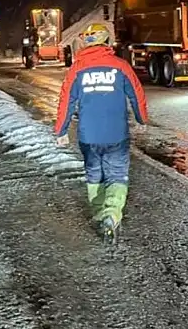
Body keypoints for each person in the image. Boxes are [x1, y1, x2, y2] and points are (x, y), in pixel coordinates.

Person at [54, 23, 148, 240]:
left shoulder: (77, 70)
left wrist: (61, 131)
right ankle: (112, 215)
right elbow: (136, 94)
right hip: (117, 134)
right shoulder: (120, 66)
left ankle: (98, 215)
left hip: (89, 136)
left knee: (94, 175)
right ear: (107, 42)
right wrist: (142, 120)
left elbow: (66, 102)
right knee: (116, 174)